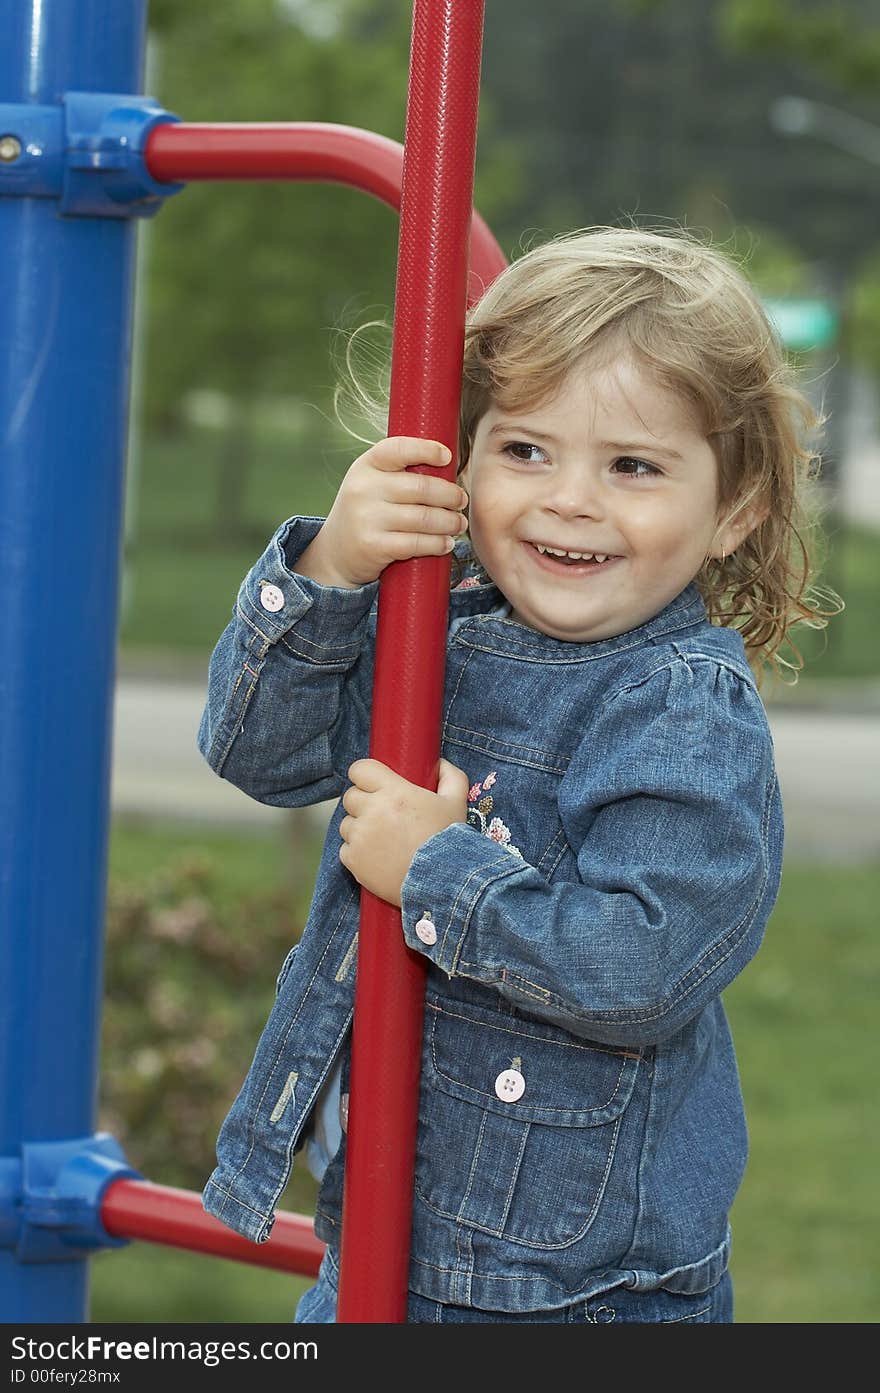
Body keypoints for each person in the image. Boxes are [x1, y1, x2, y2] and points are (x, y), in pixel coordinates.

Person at [198, 226, 838, 1323]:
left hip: (571, 1298)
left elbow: (640, 969)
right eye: (526, 450)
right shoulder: (426, 627)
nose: (569, 500)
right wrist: (331, 568)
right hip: (384, 1251)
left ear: (734, 509)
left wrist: (437, 872)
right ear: (461, 458)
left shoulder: (678, 706)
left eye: (632, 466)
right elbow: (260, 753)